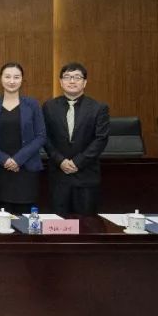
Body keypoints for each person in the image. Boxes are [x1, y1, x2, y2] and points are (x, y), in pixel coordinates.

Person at [43, 62, 110, 217]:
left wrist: (77, 162)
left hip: (86, 177)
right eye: (67, 77)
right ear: (61, 82)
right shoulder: (49, 106)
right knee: (58, 224)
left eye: (77, 77)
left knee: (86, 225)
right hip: (59, 176)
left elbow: (100, 139)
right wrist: (60, 161)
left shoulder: (98, 108)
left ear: (85, 82)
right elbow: (44, 137)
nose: (72, 81)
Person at [0, 63, 47, 215]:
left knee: (25, 217)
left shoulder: (32, 104)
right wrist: (4, 159)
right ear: (0, 79)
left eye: (16, 77)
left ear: (22, 80)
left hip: (26, 169)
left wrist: (18, 159)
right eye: (7, 77)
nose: (11, 81)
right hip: (0, 169)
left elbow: (41, 136)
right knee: (1, 216)